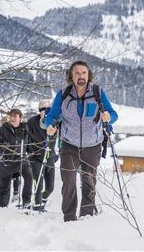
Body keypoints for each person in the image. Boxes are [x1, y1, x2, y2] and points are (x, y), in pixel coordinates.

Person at [46, 60, 118, 222]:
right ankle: (69, 218)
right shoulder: (63, 94)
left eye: (84, 73)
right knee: (69, 181)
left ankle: (86, 217)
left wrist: (109, 117)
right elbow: (52, 115)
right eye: (77, 73)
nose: (81, 76)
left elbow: (113, 114)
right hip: (69, 145)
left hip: (92, 146)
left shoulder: (97, 93)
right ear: (71, 75)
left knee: (89, 182)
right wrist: (50, 125)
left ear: (88, 75)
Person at [0, 109, 33, 208]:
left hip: (21, 159)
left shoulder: (25, 129)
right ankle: (2, 206)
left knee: (29, 176)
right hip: (7, 161)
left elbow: (30, 143)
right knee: (4, 187)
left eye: (15, 116)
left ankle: (26, 201)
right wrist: (5, 146)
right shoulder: (3, 129)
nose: (12, 118)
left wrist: (32, 151)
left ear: (20, 118)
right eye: (11, 116)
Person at [27, 99, 58, 212]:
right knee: (38, 184)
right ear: (39, 111)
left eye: (47, 110)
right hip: (36, 157)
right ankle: (36, 207)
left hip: (49, 156)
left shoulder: (54, 122)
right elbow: (26, 137)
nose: (44, 112)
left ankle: (42, 201)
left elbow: (59, 139)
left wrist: (56, 153)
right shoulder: (32, 122)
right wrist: (29, 151)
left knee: (50, 188)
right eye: (42, 110)